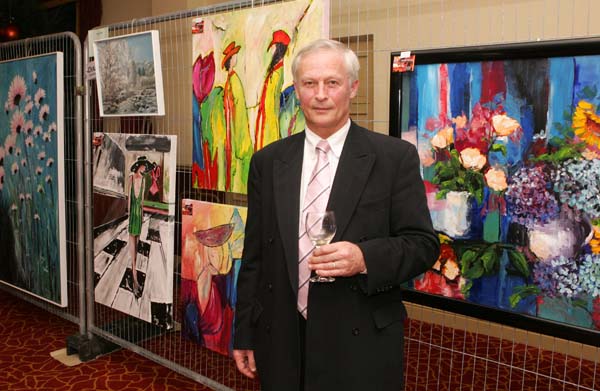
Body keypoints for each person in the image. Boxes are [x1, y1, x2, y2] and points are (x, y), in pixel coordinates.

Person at [233, 39, 440, 390]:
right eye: (309, 83)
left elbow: (422, 245)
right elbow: (254, 256)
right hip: (282, 336)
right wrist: (245, 332)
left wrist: (364, 257)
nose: (320, 94)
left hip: (358, 339)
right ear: (296, 89)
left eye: (332, 82)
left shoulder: (393, 158)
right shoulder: (268, 162)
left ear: (353, 88)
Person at [128, 155, 155, 299]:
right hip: (133, 214)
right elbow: (129, 200)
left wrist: (143, 216)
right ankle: (134, 279)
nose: (144, 168)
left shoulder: (144, 180)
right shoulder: (131, 179)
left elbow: (142, 201)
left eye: (145, 166)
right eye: (143, 165)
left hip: (139, 214)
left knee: (137, 245)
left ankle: (136, 279)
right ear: (138, 165)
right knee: (133, 247)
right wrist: (128, 217)